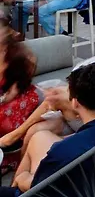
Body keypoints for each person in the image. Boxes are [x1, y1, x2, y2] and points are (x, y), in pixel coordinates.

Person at [0, 14, 95, 153]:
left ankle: (15, 135)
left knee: (54, 97)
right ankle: (19, 164)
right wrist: (75, 86)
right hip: (85, 101)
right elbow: (81, 66)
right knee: (35, 130)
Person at [2, 63, 95, 194]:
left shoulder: (63, 151)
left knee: (17, 182)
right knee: (38, 137)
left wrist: (22, 177)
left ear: (74, 103)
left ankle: (15, 192)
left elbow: (39, 188)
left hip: (67, 189)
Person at [0, 23, 41, 172]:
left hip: (19, 96)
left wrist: (5, 98)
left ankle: (10, 158)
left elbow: (16, 89)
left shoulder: (18, 53)